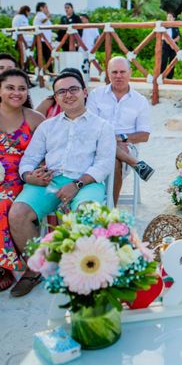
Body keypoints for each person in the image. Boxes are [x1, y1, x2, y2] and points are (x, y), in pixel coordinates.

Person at [8, 71, 115, 297]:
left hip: (86, 181)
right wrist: (29, 176)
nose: (68, 95)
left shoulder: (102, 126)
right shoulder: (47, 126)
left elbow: (104, 164)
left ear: (85, 92)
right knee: (18, 212)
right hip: (50, 180)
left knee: (88, 214)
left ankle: (82, 271)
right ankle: (35, 268)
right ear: (55, 98)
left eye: (73, 89)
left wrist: (76, 184)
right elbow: (28, 159)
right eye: (61, 92)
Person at [0, 69, 45, 291]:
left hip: (21, 177)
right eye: (10, 87)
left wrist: (38, 171)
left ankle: (5, 265)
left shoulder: (36, 119)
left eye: (21, 88)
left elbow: (48, 155)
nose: (16, 93)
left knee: (3, 204)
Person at [87, 57, 154, 204]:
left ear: (130, 73)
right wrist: (110, 139)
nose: (118, 76)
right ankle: (112, 209)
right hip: (95, 145)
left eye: (122, 72)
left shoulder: (140, 101)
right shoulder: (95, 95)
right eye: (114, 72)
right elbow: (89, 127)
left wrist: (120, 138)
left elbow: (144, 135)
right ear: (108, 73)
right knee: (111, 151)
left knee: (114, 159)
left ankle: (110, 207)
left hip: (125, 147)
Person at [33, 2, 53, 70]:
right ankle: (50, 72)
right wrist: (48, 16)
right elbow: (43, 21)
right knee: (47, 56)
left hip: (43, 40)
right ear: (41, 8)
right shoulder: (40, 14)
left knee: (41, 56)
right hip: (43, 40)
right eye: (46, 7)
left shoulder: (41, 15)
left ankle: (37, 70)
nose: (47, 9)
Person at [160, 12, 180, 79]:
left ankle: (170, 77)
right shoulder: (164, 25)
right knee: (163, 60)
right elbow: (164, 36)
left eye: (170, 17)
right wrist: (170, 43)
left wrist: (173, 43)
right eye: (168, 17)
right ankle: (161, 76)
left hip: (174, 47)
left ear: (174, 19)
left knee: (172, 62)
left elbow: (178, 37)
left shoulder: (176, 26)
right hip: (165, 45)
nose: (168, 18)